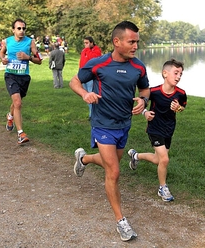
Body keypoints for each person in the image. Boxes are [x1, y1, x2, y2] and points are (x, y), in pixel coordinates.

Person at [69, 20, 150, 242]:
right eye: (131, 42)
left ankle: (83, 159)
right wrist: (85, 94)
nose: (135, 46)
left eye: (137, 42)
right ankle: (121, 221)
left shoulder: (138, 67)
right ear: (117, 41)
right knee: (113, 172)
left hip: (124, 124)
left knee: (110, 162)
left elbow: (145, 88)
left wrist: (143, 100)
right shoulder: (98, 64)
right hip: (102, 123)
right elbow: (74, 81)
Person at [127, 59, 187, 202]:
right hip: (154, 128)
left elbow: (183, 107)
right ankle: (163, 188)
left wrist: (178, 108)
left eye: (181, 74)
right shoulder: (153, 92)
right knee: (165, 159)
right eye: (176, 73)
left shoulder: (181, 93)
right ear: (165, 73)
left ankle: (136, 156)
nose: (178, 77)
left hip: (169, 130)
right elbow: (141, 104)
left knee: (157, 159)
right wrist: (145, 113)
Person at [0, 18, 43, 144]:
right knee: (18, 103)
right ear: (13, 30)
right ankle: (21, 134)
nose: (22, 31)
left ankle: (10, 116)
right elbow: (1, 54)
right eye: (19, 28)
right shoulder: (7, 41)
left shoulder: (30, 42)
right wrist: (3, 59)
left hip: (24, 77)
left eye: (24, 28)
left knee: (16, 103)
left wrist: (27, 57)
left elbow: (39, 60)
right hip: (10, 75)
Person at [79, 36, 102, 120]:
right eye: (84, 43)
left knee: (91, 94)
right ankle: (91, 113)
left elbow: (93, 60)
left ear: (92, 43)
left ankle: (92, 114)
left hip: (91, 76)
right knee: (86, 95)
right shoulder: (84, 51)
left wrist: (88, 50)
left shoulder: (96, 50)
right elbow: (82, 62)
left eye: (87, 43)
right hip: (84, 75)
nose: (85, 45)